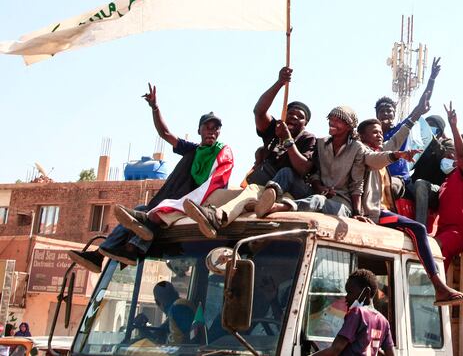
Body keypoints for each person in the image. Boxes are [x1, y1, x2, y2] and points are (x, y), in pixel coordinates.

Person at [69, 85, 233, 272]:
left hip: (194, 207)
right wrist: (155, 108)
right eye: (207, 127)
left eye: (215, 128)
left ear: (219, 132)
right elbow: (165, 134)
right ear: (200, 130)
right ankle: (100, 255)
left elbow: (216, 186)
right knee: (138, 210)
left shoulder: (222, 155)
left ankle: (132, 248)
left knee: (153, 216)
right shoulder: (192, 150)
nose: (211, 131)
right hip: (172, 201)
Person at [356, 105, 463, 307]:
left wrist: (419, 111)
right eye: (374, 132)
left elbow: (400, 136)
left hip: (384, 211)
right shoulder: (362, 154)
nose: (380, 134)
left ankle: (425, 291)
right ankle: (438, 287)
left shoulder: (379, 152)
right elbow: (362, 179)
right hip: (374, 212)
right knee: (418, 229)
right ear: (362, 136)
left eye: (380, 132)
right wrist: (398, 156)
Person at [184, 67, 315, 237]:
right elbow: (259, 111)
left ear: (305, 124)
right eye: (290, 113)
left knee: (252, 190)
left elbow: (303, 169)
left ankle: (218, 218)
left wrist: (289, 140)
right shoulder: (274, 130)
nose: (294, 117)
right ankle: (184, 217)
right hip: (262, 186)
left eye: (300, 117)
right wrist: (280, 83)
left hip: (286, 190)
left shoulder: (308, 139)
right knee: (216, 196)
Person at [376, 56, 441, 193]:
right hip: (375, 176)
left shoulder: (401, 129)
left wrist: (432, 79)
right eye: (383, 111)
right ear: (377, 115)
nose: (386, 114)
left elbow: (420, 106)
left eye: (390, 111)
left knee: (388, 187)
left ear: (394, 114)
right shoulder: (371, 134)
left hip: (397, 179)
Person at [312, 269, 395, 356]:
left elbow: (335, 349)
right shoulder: (384, 321)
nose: (346, 297)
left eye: (350, 292)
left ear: (366, 292)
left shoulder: (357, 313)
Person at [434, 103, 463, 270]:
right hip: (443, 231)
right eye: (444, 156)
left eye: (450, 155)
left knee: (434, 247)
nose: (447, 158)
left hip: (459, 232)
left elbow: (461, 154)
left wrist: (453, 126)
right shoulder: (444, 181)